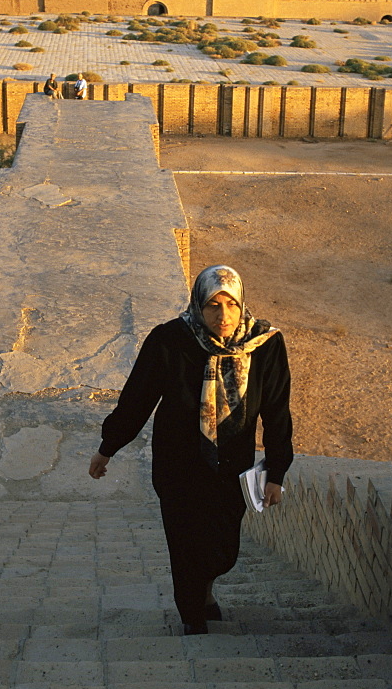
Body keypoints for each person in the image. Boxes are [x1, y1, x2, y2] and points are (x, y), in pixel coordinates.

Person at [89, 264, 293, 635]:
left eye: (230, 305)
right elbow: (138, 399)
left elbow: (277, 412)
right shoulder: (170, 339)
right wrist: (108, 448)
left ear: (242, 304)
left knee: (222, 546)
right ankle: (192, 616)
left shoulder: (265, 344)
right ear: (199, 305)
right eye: (213, 305)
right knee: (185, 543)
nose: (222, 315)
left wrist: (276, 472)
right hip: (177, 463)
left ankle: (205, 594)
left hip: (232, 464)